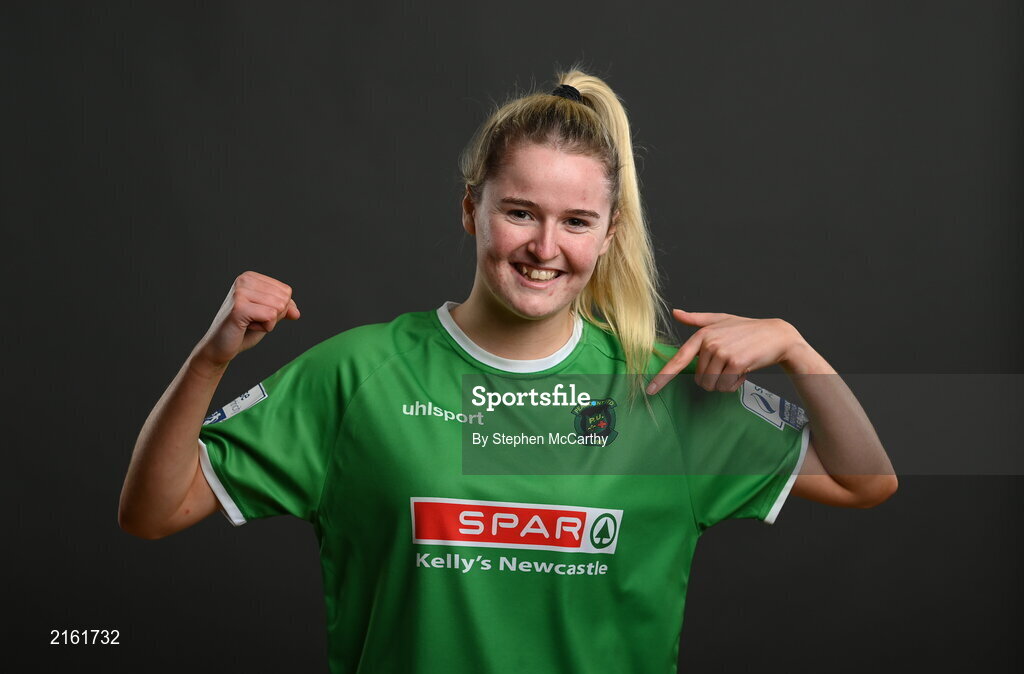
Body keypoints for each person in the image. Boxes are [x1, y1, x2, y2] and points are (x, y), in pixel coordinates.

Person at [119, 67, 897, 673]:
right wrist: (210, 357)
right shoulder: (359, 374)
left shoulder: (658, 390)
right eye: (520, 211)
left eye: (576, 221)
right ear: (472, 210)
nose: (545, 246)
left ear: (609, 232)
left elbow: (867, 479)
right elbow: (152, 511)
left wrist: (800, 351)